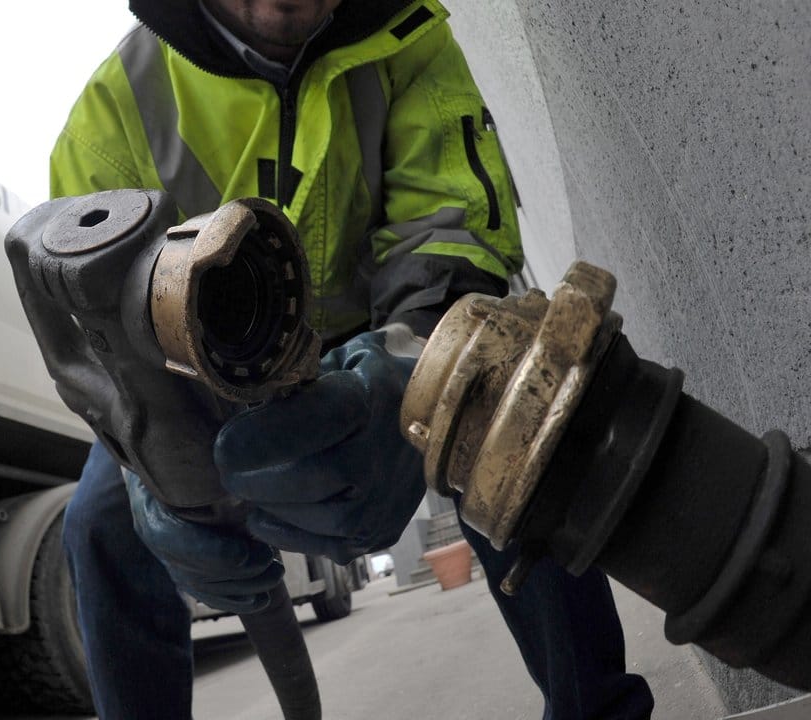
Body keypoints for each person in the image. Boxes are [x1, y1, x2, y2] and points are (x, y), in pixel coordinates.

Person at [50, 1, 655, 718]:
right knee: (101, 524)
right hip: (201, 381)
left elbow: (453, 226)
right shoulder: (115, 107)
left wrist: (414, 366)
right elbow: (102, 332)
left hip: (392, 332)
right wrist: (155, 466)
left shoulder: (408, 34)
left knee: (514, 412)